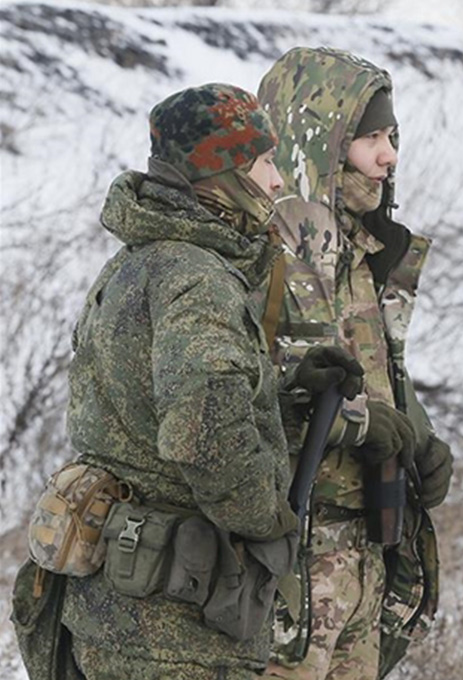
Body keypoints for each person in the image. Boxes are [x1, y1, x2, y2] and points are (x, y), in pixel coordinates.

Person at [34, 83, 351, 680]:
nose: (278, 181)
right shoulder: (196, 276)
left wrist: (281, 397)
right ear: (220, 173)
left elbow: (150, 416)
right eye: (263, 162)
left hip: (115, 611)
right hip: (176, 633)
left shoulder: (137, 261)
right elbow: (203, 433)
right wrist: (270, 521)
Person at [256, 46, 453, 680]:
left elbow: (378, 372)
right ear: (320, 140)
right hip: (285, 560)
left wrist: (417, 437)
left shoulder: (366, 257)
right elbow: (237, 397)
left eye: (391, 135)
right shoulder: (260, 255)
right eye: (370, 136)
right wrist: (358, 426)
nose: (389, 155)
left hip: (364, 548)